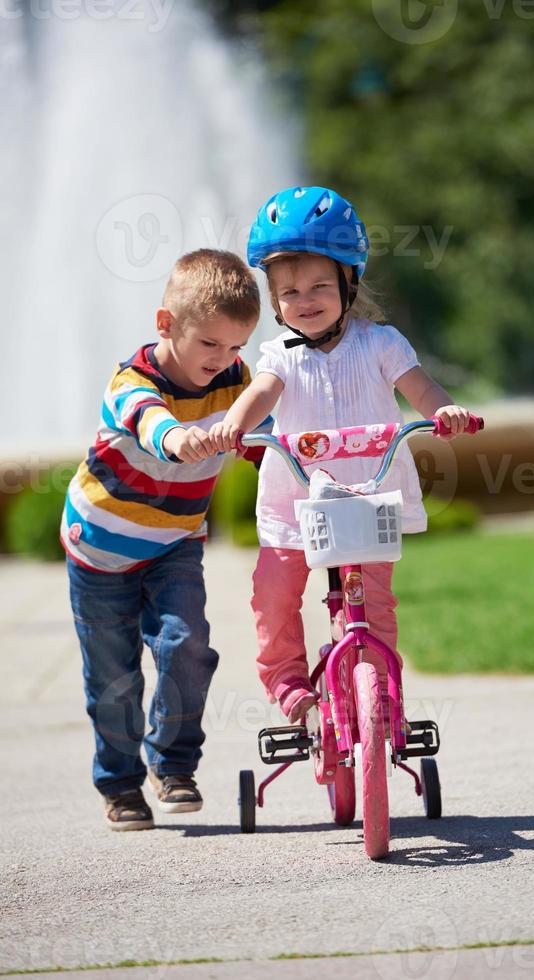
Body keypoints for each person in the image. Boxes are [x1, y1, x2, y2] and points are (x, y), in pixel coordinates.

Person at [211, 187, 472, 724]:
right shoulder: (277, 356)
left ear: (349, 282)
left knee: (373, 606)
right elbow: (259, 394)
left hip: (367, 498)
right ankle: (288, 684)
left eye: (320, 286)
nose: (305, 299)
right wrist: (233, 425)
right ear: (275, 300)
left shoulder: (381, 343)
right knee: (275, 593)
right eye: (289, 292)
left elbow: (419, 388)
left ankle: (382, 698)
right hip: (295, 502)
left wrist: (446, 413)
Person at [62, 249, 271, 831]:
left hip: (174, 542)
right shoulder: (132, 381)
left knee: (187, 645)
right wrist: (176, 439)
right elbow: (148, 420)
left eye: (236, 346)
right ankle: (120, 784)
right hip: (100, 547)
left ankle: (173, 765)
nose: (224, 360)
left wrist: (303, 466)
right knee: (113, 677)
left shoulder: (234, 382)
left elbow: (262, 439)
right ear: (166, 326)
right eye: (209, 344)